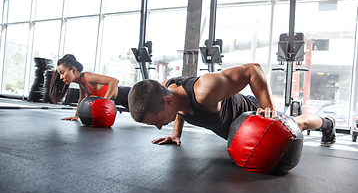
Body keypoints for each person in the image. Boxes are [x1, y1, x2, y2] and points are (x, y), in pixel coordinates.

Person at [128, 63, 336, 147]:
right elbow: (179, 110)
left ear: (167, 101)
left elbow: (253, 70)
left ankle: (327, 124)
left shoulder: (205, 90)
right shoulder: (167, 89)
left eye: (157, 121)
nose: (158, 127)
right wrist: (175, 135)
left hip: (251, 114)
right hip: (234, 132)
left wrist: (269, 113)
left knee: (296, 125)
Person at [49, 54, 130, 121]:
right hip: (122, 101)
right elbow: (82, 99)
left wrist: (105, 101)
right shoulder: (81, 83)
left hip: (128, 95)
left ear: (73, 70)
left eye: (62, 73)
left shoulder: (88, 77)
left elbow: (114, 81)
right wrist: (76, 116)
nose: (60, 77)